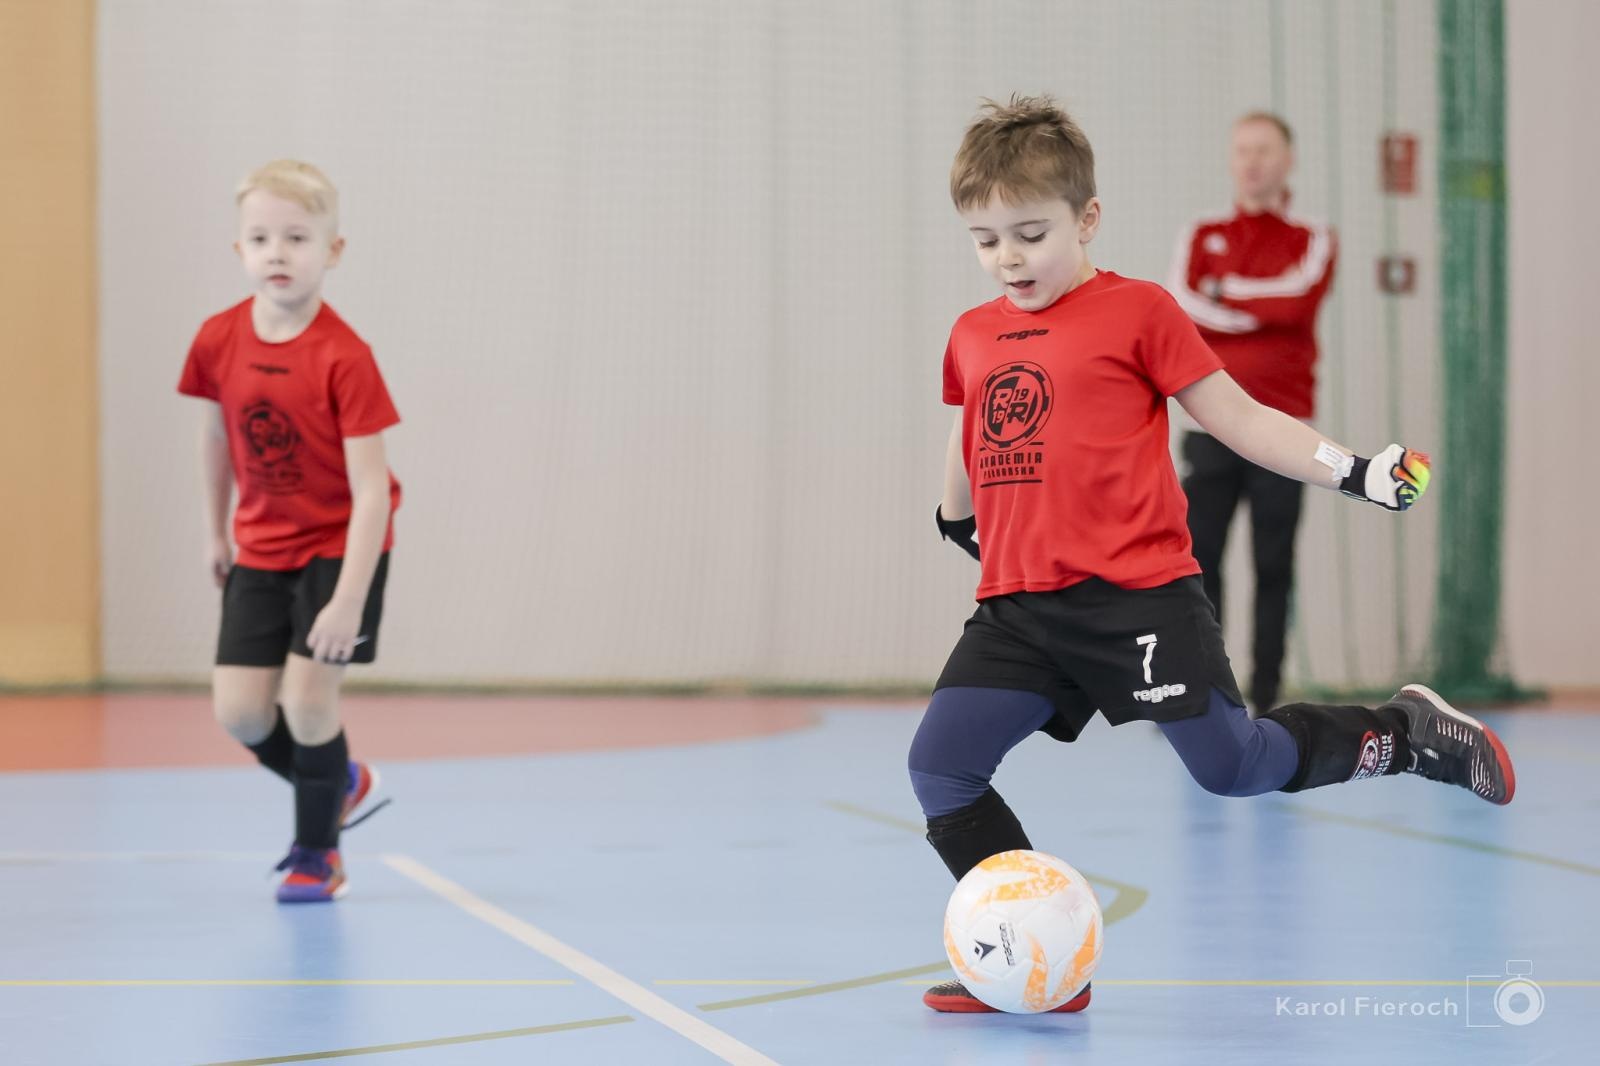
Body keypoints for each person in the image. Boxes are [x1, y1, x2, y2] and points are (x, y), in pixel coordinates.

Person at [917, 97, 1514, 1015]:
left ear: (1087, 219)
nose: (1009, 258)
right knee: (943, 767)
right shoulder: (971, 331)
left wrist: (1354, 471)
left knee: (1233, 769)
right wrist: (958, 519)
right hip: (1022, 608)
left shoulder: (1140, 312)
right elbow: (972, 436)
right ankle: (1039, 963)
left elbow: (1240, 421)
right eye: (986, 240)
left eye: (1030, 233)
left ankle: (1404, 733)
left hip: (1137, 599)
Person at [178, 160, 399, 902]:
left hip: (340, 549)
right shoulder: (217, 339)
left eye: (298, 237)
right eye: (261, 237)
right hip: (260, 550)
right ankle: (340, 779)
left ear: (332, 251)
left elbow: (373, 490)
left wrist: (346, 603)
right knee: (240, 714)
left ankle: (318, 853)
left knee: (308, 703)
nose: (278, 252)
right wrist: (217, 534)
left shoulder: (345, 357)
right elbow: (217, 440)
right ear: (238, 250)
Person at [1167, 112, 1336, 712]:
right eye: (1242, 150)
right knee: (1199, 559)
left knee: (1273, 563)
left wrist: (1224, 294)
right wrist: (1253, 310)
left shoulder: (1313, 238)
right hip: (1209, 428)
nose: (1252, 161)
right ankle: (1208, 696)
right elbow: (1181, 309)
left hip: (1287, 431)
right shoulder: (1200, 234)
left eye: (1264, 150)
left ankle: (1267, 698)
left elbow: (1297, 302)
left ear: (1287, 160)